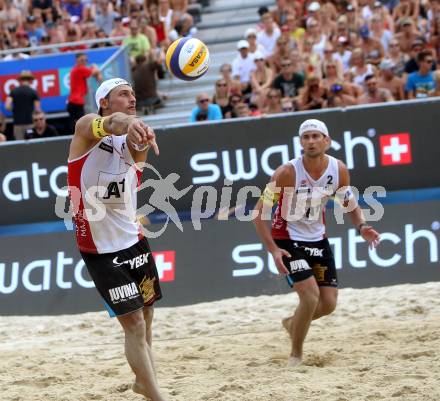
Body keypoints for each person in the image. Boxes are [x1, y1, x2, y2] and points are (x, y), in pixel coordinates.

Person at [67, 78, 167, 401]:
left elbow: (133, 140)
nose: (132, 99)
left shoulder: (133, 143)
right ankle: (156, 395)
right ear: (104, 103)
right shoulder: (86, 131)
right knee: (135, 323)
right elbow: (113, 123)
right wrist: (130, 122)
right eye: (124, 94)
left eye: (134, 94)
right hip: (100, 250)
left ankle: (143, 380)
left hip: (134, 240)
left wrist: (140, 131)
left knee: (148, 314)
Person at [253, 119, 380, 367]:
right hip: (287, 239)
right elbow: (259, 213)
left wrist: (362, 226)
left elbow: (349, 203)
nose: (311, 141)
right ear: (301, 142)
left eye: (315, 136)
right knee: (310, 298)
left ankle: (292, 323)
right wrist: (273, 250)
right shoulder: (285, 173)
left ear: (327, 141)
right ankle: (296, 355)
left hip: (318, 239)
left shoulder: (338, 169)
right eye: (306, 137)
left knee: (328, 304)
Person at [67, 53, 102, 135]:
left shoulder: (77, 69)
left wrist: (97, 75)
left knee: (78, 125)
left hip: (74, 101)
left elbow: (95, 74)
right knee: (81, 125)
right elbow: (95, 71)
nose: (84, 62)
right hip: (76, 101)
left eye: (85, 60)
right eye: (82, 60)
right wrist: (94, 66)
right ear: (77, 61)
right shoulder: (79, 69)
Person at [5, 70, 41, 140]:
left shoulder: (14, 91)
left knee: (19, 146)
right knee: (31, 144)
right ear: (30, 80)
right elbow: (37, 109)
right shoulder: (33, 92)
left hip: (17, 124)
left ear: (20, 80)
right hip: (30, 123)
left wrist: (15, 110)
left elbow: (7, 106)